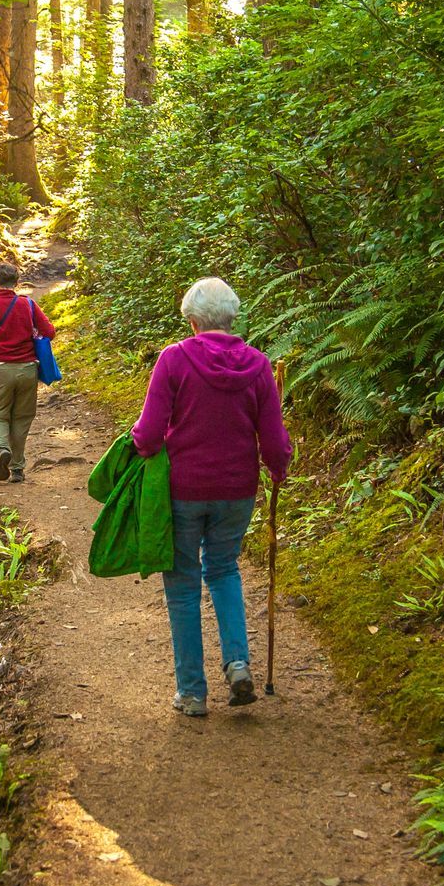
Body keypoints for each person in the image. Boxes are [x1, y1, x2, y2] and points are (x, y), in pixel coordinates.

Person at [130, 277, 291, 716]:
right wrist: (278, 468)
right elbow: (274, 439)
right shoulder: (258, 365)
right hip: (237, 491)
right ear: (231, 317)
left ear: (194, 320)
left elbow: (147, 434)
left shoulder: (174, 360)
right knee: (223, 570)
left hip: (183, 490)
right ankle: (238, 663)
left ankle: (193, 692)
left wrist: (141, 447)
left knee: (182, 585)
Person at [0, 262, 56, 483]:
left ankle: (1, 448)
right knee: (22, 418)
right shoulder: (28, 304)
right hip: (28, 370)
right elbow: (49, 332)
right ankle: (17, 468)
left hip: (0, 369)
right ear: (16, 282)